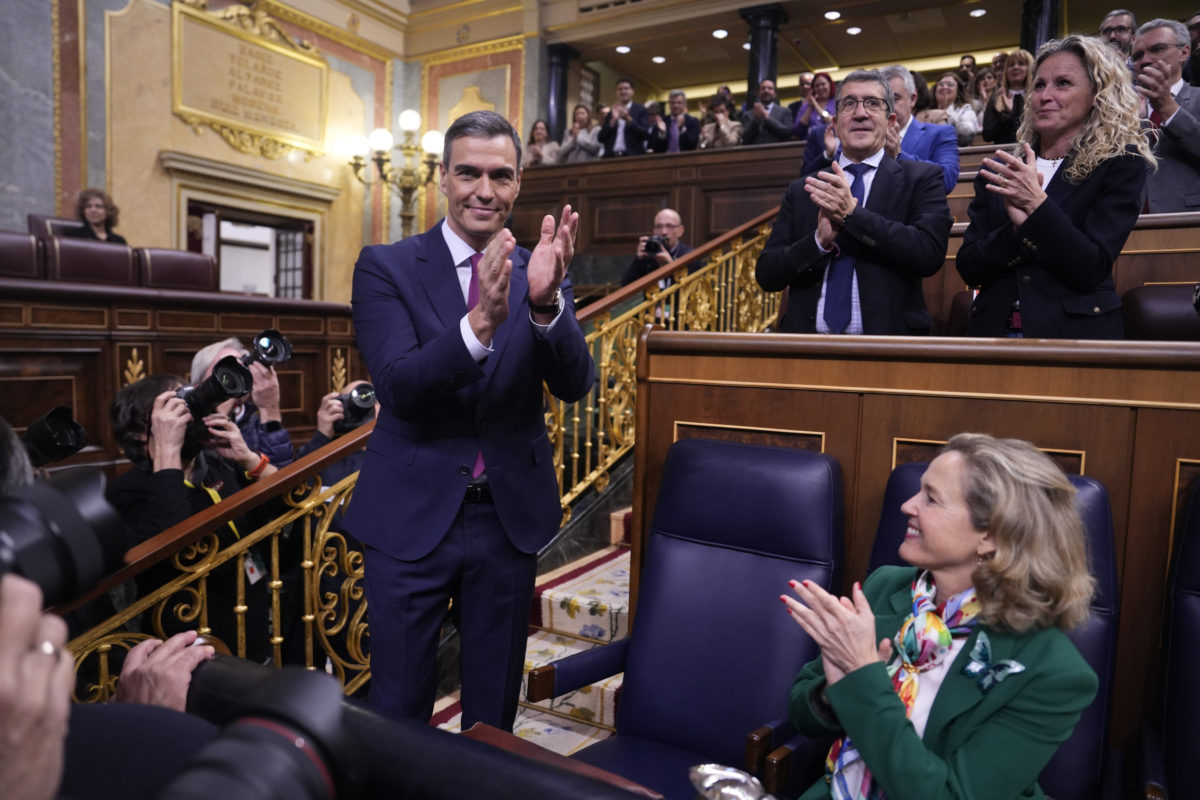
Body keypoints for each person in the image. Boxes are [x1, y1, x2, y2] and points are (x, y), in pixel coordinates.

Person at [346, 110, 594, 731]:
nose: (485, 190)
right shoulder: (386, 265)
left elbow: (575, 384)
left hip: (506, 518)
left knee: (492, 709)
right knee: (398, 708)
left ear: (518, 182)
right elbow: (400, 386)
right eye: (469, 173)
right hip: (410, 515)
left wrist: (543, 307)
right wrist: (479, 323)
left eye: (501, 176)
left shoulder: (540, 268)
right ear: (442, 178)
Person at [782, 433, 1097, 800]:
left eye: (931, 498)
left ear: (990, 536)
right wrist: (830, 693)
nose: (907, 505)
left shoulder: (1054, 672)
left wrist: (864, 680)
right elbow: (801, 711)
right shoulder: (884, 587)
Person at [957, 34, 1155, 339]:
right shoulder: (1000, 169)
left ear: (1096, 95)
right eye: (1039, 85)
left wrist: (1037, 210)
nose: (1044, 95)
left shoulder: (1120, 164)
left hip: (1075, 336)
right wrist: (1018, 232)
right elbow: (969, 268)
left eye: (1063, 83)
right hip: (991, 335)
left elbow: (1091, 267)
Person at [756, 69, 952, 335]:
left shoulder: (922, 178)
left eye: (873, 103)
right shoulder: (803, 188)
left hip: (890, 351)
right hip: (805, 352)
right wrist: (817, 243)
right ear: (836, 122)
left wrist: (852, 215)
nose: (860, 113)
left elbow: (928, 255)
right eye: (849, 104)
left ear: (890, 120)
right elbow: (767, 274)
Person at [106, 374, 282, 657]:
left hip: (256, 631)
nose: (191, 413)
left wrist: (249, 459)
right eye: (177, 407)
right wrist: (167, 448)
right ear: (142, 431)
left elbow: (291, 504)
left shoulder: (218, 466)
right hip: (191, 651)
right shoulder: (127, 492)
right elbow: (171, 544)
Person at [190, 337, 294, 467]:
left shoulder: (256, 422)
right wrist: (218, 409)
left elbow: (280, 476)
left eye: (242, 369)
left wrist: (270, 409)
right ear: (198, 384)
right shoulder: (187, 420)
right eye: (227, 370)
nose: (235, 377)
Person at [1132, 19, 1200, 213]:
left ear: (1184, 52)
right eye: (1137, 55)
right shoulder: (1123, 112)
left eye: (1157, 49)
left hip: (1188, 224)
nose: (1145, 60)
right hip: (1130, 228)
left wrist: (1167, 107)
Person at [620, 208, 695, 287]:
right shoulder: (649, 252)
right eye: (659, 226)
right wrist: (638, 260)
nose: (663, 232)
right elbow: (625, 287)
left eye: (669, 226)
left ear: (680, 230)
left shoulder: (690, 256)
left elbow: (690, 292)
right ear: (654, 230)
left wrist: (670, 266)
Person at [983, 49, 1034, 144]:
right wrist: (1006, 114)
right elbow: (987, 135)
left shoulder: (1037, 96)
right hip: (1003, 153)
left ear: (1030, 68)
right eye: (1011, 65)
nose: (1015, 67)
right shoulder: (996, 98)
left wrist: (1014, 113)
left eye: (1021, 64)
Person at [598, 77, 650, 157]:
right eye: (620, 89)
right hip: (611, 158)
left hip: (633, 157)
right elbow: (601, 138)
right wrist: (613, 120)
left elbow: (645, 134)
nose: (623, 91)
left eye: (626, 88)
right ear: (616, 93)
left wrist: (628, 119)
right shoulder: (611, 112)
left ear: (632, 91)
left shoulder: (641, 110)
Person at [931, 71, 982, 145]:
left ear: (958, 92)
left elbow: (968, 132)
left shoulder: (966, 110)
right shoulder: (927, 110)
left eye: (950, 85)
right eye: (941, 84)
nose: (945, 87)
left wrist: (947, 113)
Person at [742, 77, 794, 145]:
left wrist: (767, 117)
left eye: (770, 88)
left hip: (779, 151)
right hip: (755, 152)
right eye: (763, 88)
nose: (766, 91)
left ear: (775, 94)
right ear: (758, 94)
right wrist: (755, 120)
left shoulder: (785, 111)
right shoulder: (748, 115)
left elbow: (788, 132)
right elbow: (745, 138)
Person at [792, 72, 837, 140]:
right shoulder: (805, 106)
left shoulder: (837, 103)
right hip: (810, 144)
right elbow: (798, 130)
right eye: (817, 86)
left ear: (830, 85)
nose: (820, 88)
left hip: (834, 142)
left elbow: (833, 122)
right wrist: (810, 107)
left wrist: (815, 105)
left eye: (823, 84)